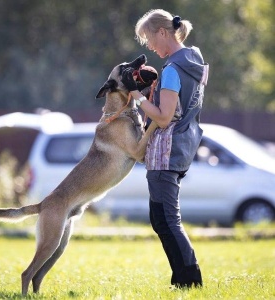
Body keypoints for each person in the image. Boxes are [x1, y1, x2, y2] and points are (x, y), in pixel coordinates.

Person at [121, 9, 209, 288]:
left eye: (149, 38)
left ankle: (190, 280)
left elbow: (162, 116)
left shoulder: (173, 69)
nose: (149, 47)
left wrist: (136, 96)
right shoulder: (193, 61)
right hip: (181, 148)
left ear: (162, 32)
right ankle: (182, 279)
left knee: (166, 219)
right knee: (162, 219)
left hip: (166, 152)